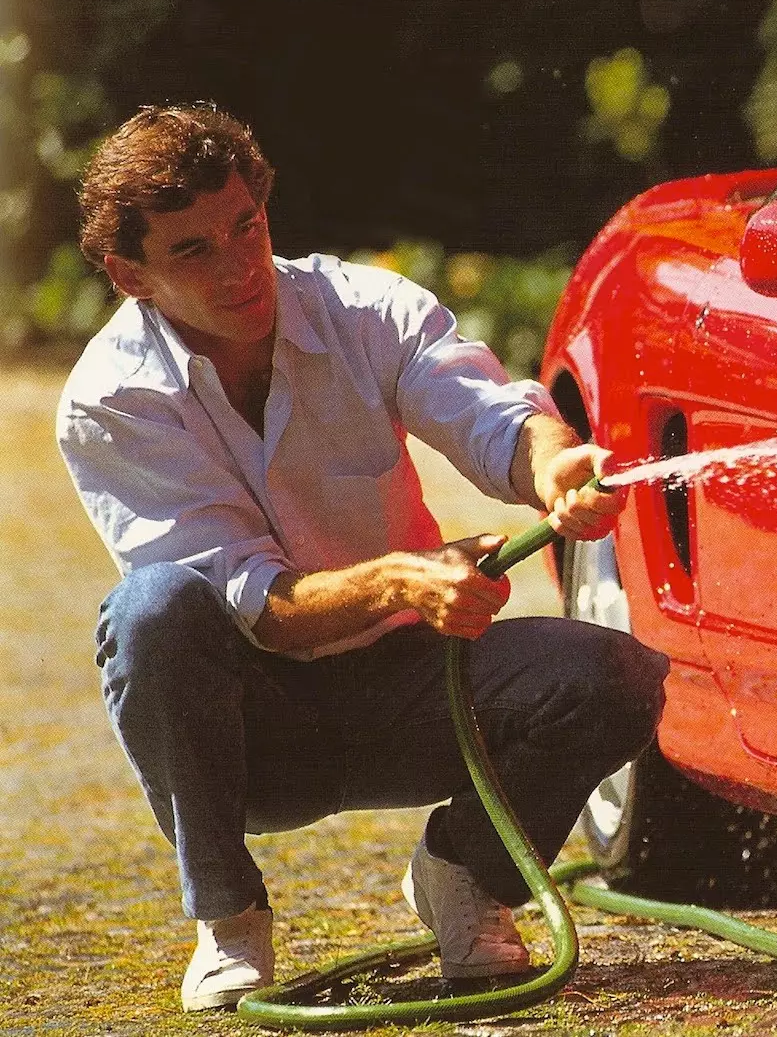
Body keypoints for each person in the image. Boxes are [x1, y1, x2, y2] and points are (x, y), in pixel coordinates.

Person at [56, 102, 670, 1012]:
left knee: (614, 675)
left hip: (413, 686)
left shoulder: (363, 306)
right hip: (252, 726)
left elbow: (486, 412)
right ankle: (227, 916)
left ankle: (465, 874)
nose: (238, 268)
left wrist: (552, 460)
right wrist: (398, 579)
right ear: (128, 275)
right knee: (149, 614)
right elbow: (247, 600)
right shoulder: (110, 401)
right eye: (192, 251)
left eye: (247, 227)